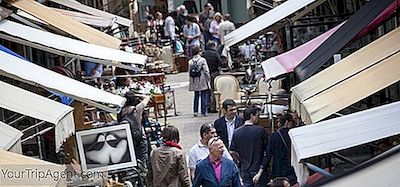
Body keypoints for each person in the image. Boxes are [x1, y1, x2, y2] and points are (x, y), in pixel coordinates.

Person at [230, 106, 268, 187]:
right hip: (259, 169)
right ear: (251, 116)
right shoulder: (260, 131)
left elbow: (232, 151)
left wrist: (240, 160)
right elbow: (267, 151)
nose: (258, 118)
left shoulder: (237, 132)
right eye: (257, 116)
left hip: (245, 168)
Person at [261, 113, 298, 186]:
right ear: (287, 122)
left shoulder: (273, 136)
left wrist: (261, 170)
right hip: (291, 170)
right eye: (292, 122)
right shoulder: (294, 135)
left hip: (277, 171)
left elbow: (268, 155)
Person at [119, 91, 151, 165]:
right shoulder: (137, 109)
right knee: (142, 162)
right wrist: (137, 95)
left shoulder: (121, 111)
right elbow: (147, 97)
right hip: (139, 138)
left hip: (126, 140)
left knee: (131, 163)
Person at [188, 46, 211, 117]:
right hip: (202, 79)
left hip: (194, 80)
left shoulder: (190, 61)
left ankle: (195, 111)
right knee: (203, 95)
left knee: (196, 96)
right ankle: (203, 111)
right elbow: (206, 71)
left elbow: (189, 72)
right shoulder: (202, 60)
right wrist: (208, 78)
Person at [202, 40, 221, 113]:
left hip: (205, 74)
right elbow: (220, 63)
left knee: (207, 90)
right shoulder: (215, 54)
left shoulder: (203, 54)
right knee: (214, 90)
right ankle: (213, 107)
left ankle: (207, 106)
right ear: (213, 46)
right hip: (214, 73)